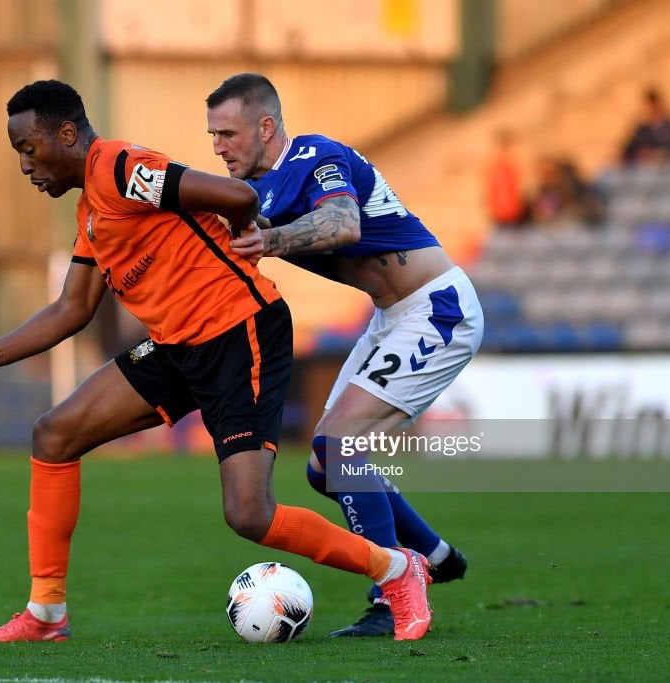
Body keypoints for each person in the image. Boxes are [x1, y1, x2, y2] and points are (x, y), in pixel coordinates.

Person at [0, 79, 433, 643]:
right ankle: (46, 614)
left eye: (28, 149)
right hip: (177, 345)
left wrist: (244, 240)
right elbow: (72, 308)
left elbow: (240, 198)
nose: (26, 165)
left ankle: (397, 569)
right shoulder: (90, 212)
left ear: (67, 134)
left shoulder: (122, 169)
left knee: (249, 515)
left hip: (238, 330)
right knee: (54, 435)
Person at [205, 73, 484, 637]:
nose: (218, 147)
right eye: (212, 135)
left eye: (228, 133)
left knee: (337, 447)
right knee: (322, 469)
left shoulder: (314, 155)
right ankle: (432, 553)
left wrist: (272, 241)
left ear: (266, 126)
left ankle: (392, 597)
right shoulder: (253, 194)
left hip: (437, 309)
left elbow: (343, 222)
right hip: (391, 317)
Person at [621, 88, 670, 167]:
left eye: (652, 106)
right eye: (647, 107)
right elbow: (628, 150)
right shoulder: (641, 129)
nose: (649, 110)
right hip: (641, 169)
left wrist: (653, 154)